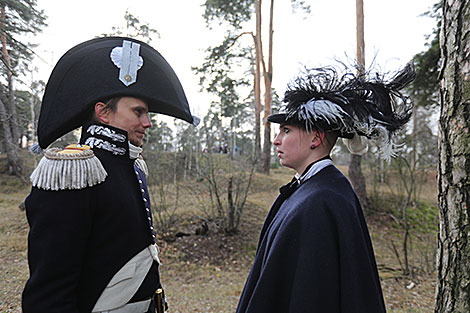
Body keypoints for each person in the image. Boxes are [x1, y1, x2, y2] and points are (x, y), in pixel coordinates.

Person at [22, 37, 199, 313]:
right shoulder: (73, 172)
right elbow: (49, 292)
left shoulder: (131, 166)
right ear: (103, 112)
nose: (147, 122)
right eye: (138, 112)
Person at [236, 64, 416, 313]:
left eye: (286, 130)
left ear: (316, 138)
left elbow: (314, 293)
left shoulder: (323, 200)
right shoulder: (306, 189)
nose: (276, 140)